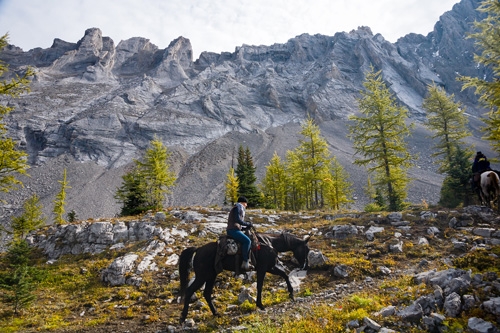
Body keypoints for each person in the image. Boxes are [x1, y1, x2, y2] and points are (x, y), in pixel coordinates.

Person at [227, 196, 253, 270]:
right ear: (243, 203)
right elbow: (237, 220)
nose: (246, 205)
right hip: (233, 230)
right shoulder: (238, 207)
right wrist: (248, 224)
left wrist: (244, 227)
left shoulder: (238, 208)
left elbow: (238, 222)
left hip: (235, 229)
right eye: (246, 203)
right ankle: (245, 261)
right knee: (247, 241)